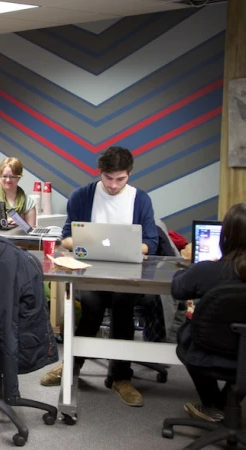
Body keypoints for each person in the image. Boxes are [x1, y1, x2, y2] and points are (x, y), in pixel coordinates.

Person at [40, 146, 158, 407]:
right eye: (108, 178)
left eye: (120, 179)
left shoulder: (141, 200)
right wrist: (79, 243)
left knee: (122, 306)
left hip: (128, 274)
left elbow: (151, 242)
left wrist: (125, 246)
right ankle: (72, 366)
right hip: (90, 272)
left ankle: (120, 377)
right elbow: (66, 237)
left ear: (129, 175)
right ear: (100, 173)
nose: (114, 185)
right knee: (92, 306)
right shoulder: (82, 196)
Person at [171, 202, 246, 423]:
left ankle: (214, 404)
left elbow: (177, 289)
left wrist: (197, 268)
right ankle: (226, 404)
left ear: (225, 238)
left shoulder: (207, 271)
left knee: (187, 335)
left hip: (207, 352)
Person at [0, 157, 37, 227]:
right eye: (4, 176)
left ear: (19, 177)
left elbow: (30, 232)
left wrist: (19, 223)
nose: (8, 180)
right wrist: (1, 223)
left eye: (12, 177)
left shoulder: (28, 202)